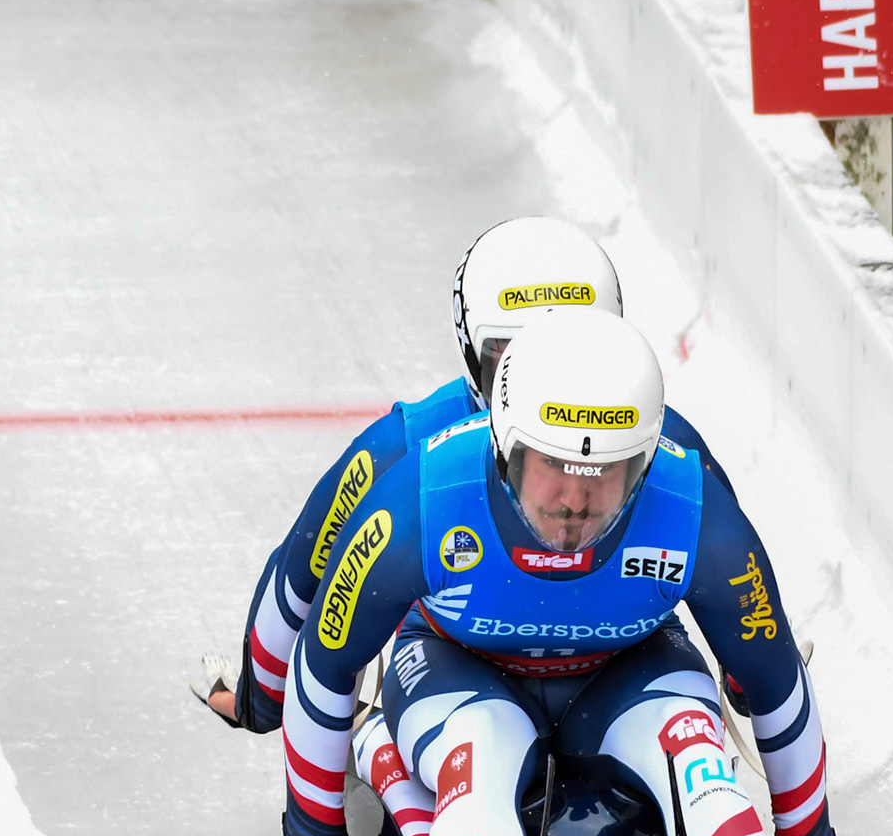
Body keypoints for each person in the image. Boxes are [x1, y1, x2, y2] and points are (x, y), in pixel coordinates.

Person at [255, 307, 877, 836]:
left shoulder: (695, 512)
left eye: (604, 477)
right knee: (476, 760)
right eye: (552, 468)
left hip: (626, 668)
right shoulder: (419, 499)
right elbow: (325, 664)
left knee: (700, 756)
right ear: (505, 444)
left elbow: (776, 679)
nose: (574, 504)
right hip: (460, 668)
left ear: (643, 464)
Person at [195, 216, 733, 735]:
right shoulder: (404, 446)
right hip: (456, 660)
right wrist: (263, 698)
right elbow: (312, 556)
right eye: (509, 353)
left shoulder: (661, 446)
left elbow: (732, 566)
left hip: (618, 664)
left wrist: (747, 670)